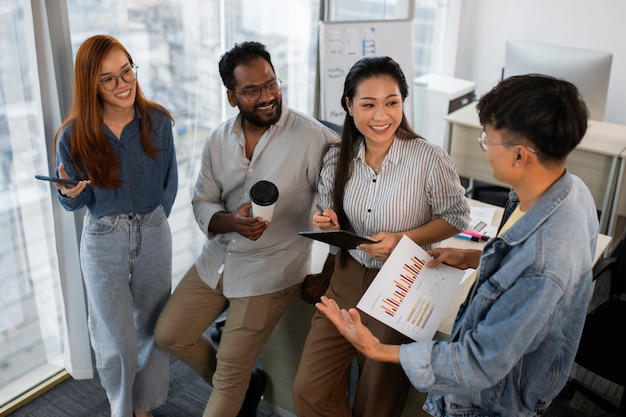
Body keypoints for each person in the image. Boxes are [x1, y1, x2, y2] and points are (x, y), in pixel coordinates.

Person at [315, 74, 598, 417]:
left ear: (521, 155)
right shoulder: (568, 191)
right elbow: (518, 258)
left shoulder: (542, 262)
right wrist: (475, 256)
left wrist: (376, 349)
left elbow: (478, 362)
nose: (485, 150)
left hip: (490, 403)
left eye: (487, 141)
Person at [153, 41, 338, 417]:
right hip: (220, 257)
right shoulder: (217, 140)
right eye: (252, 90)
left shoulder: (314, 139)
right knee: (169, 335)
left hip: (271, 270)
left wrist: (325, 270)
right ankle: (245, 384)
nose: (267, 96)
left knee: (227, 382)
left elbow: (339, 212)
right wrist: (229, 222)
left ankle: (234, 384)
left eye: (271, 83)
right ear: (232, 97)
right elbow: (202, 200)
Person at [293, 56, 470, 417]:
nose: (381, 116)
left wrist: (403, 239)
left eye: (392, 103)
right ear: (349, 105)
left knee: (376, 402)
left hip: (401, 285)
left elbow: (456, 217)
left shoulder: (428, 158)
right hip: (345, 278)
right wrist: (327, 221)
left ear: (403, 103)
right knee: (310, 390)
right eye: (368, 104)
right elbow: (329, 214)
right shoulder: (336, 157)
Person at [53, 34, 178, 417]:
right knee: (116, 338)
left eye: (126, 71)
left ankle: (145, 406)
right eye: (108, 78)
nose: (122, 84)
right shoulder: (73, 135)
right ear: (91, 84)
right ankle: (121, 408)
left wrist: (153, 221)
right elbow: (73, 200)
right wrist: (70, 192)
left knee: (154, 330)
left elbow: (168, 184)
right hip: (103, 239)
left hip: (153, 232)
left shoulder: (157, 121)